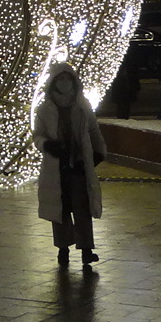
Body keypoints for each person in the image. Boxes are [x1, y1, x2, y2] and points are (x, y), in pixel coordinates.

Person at [32, 61, 107, 268]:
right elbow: (38, 135)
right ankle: (63, 249)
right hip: (57, 166)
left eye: (68, 79)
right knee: (61, 208)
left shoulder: (82, 106)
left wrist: (99, 151)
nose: (65, 83)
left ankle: (86, 249)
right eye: (61, 79)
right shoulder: (45, 109)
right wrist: (48, 145)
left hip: (79, 166)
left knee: (82, 207)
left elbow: (93, 130)